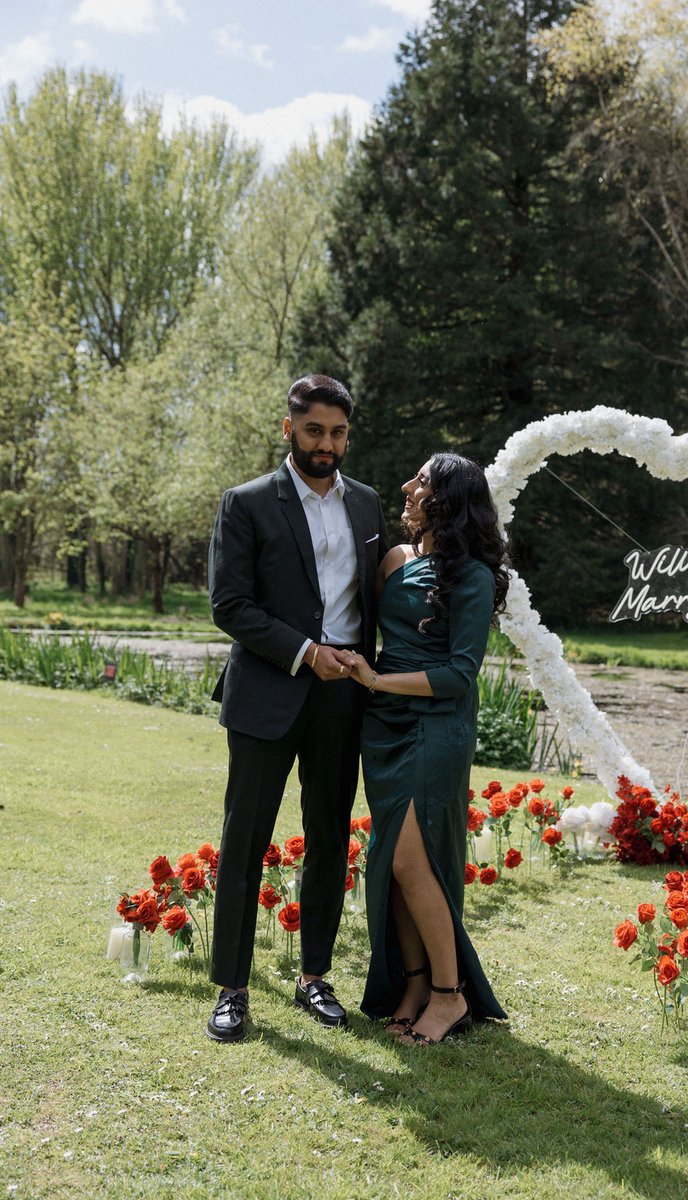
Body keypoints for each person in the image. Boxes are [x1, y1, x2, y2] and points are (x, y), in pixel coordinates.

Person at [205, 374, 389, 1042]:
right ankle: (231, 988)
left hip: (343, 698)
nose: (327, 445)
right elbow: (230, 605)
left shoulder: (366, 506)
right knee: (245, 838)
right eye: (315, 431)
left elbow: (374, 599)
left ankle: (314, 977)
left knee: (329, 839)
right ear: (289, 429)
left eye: (338, 433)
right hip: (267, 693)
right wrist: (306, 652)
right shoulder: (247, 503)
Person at [338, 452, 509, 1045]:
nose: (408, 488)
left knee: (414, 861)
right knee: (391, 863)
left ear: (450, 500)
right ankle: (413, 985)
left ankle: (449, 996)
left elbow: (460, 674)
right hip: (382, 727)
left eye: (423, 483)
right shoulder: (394, 559)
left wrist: (377, 680)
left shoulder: (475, 576)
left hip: (435, 725)